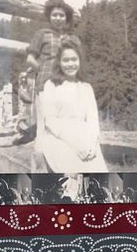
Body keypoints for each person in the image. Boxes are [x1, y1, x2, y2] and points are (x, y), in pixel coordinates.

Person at [35, 37, 107, 173]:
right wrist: (75, 144)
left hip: (85, 139)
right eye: (66, 60)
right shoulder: (51, 85)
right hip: (60, 138)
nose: (70, 64)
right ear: (59, 63)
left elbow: (93, 121)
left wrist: (92, 144)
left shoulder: (86, 87)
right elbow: (50, 120)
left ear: (80, 61)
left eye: (74, 59)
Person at [14, 0, 79, 143]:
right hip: (45, 84)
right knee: (45, 124)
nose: (58, 18)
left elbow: (77, 62)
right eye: (54, 15)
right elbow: (30, 59)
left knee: (65, 123)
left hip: (67, 85)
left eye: (61, 15)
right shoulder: (42, 34)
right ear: (49, 17)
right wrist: (46, 70)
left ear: (66, 18)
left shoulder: (72, 39)